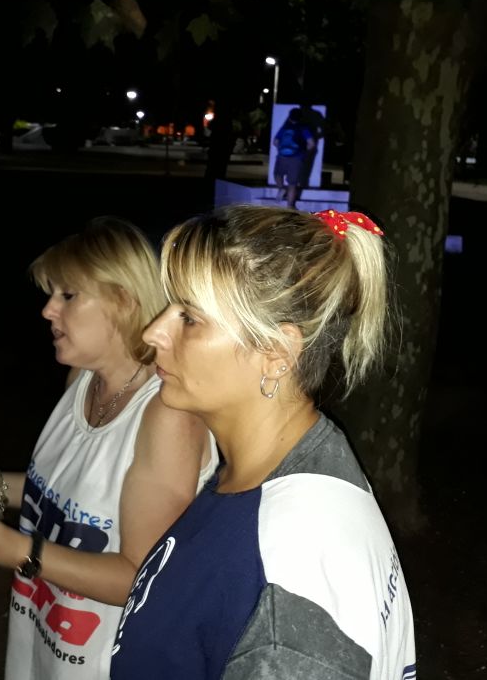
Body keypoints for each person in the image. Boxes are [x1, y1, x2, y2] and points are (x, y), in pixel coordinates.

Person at [0, 217, 217, 680]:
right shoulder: (81, 380)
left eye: (68, 295)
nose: (48, 310)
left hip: (108, 662)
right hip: (46, 636)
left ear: (125, 301)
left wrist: (12, 548)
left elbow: (141, 579)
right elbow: (68, 497)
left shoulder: (167, 415)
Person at [109, 205, 416, 680]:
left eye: (189, 317)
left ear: (276, 353)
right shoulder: (280, 464)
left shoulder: (290, 574)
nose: (153, 332)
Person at [272, 108, 315, 208]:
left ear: (290, 117)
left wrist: (281, 150)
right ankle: (290, 206)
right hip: (296, 158)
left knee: (278, 174)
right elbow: (311, 143)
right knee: (292, 184)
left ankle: (281, 188)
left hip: (282, 156)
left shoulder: (285, 127)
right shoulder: (303, 128)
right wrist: (304, 153)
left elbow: (275, 142)